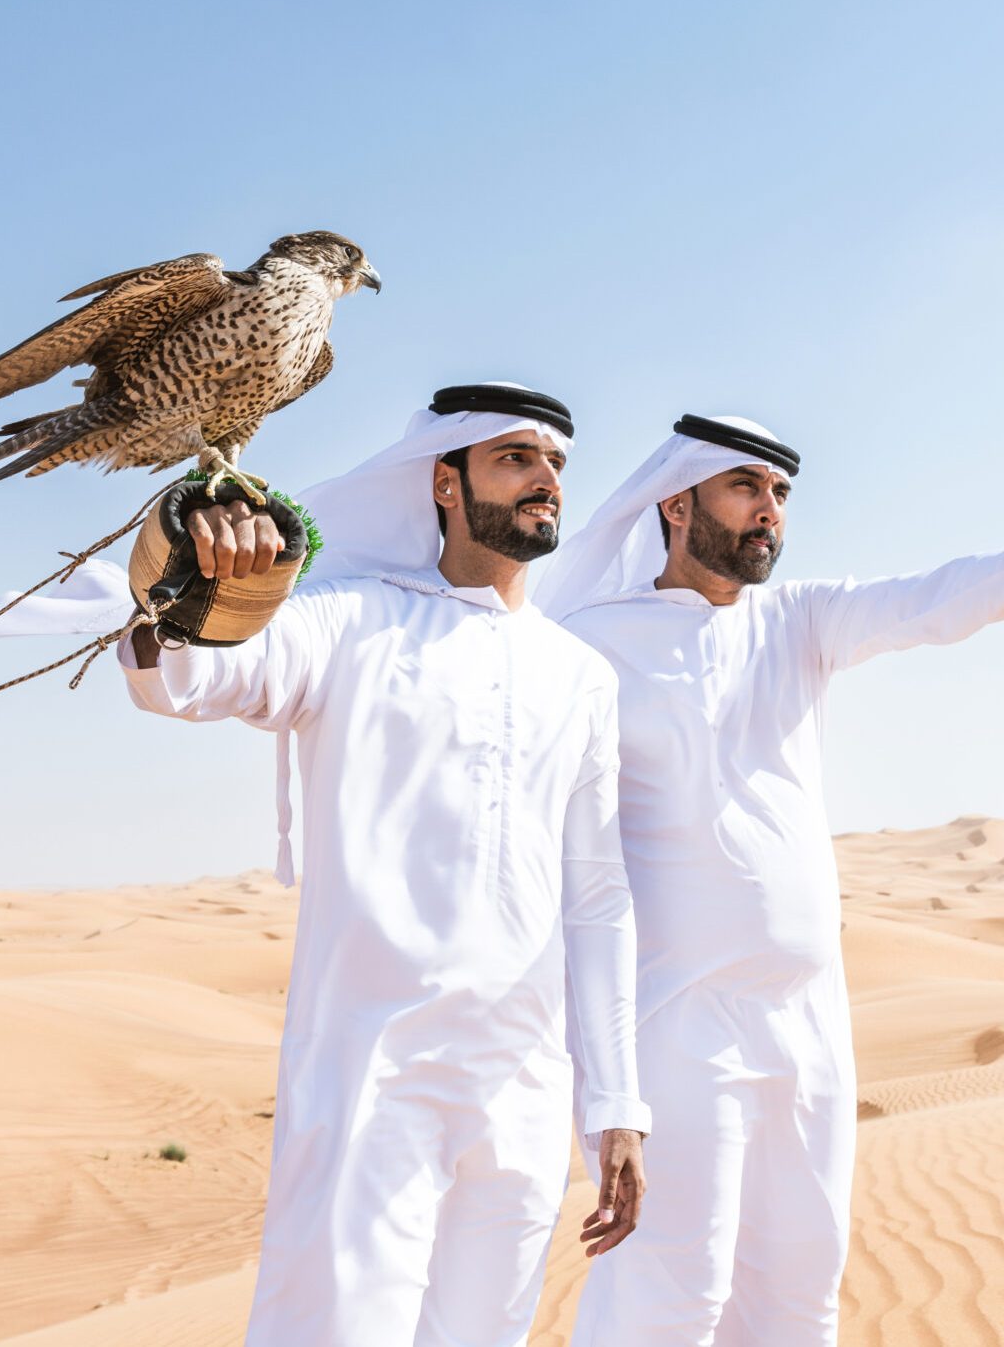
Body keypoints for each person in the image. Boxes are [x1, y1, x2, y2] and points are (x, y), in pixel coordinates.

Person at [537, 413, 1004, 1345]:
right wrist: (608, 1087)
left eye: (781, 494)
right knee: (671, 1297)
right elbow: (567, 863)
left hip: (810, 1022)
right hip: (678, 1023)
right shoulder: (587, 646)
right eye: (746, 488)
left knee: (799, 1292)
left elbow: (934, 600)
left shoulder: (798, 621)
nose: (770, 511)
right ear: (675, 500)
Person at [122, 383, 650, 1346]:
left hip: (523, 1085)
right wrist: (193, 588)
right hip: (374, 1073)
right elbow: (200, 680)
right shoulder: (348, 620)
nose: (546, 483)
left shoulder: (581, 676)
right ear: (445, 483)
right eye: (516, 459)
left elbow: (598, 896)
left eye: (556, 465)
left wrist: (616, 1102)